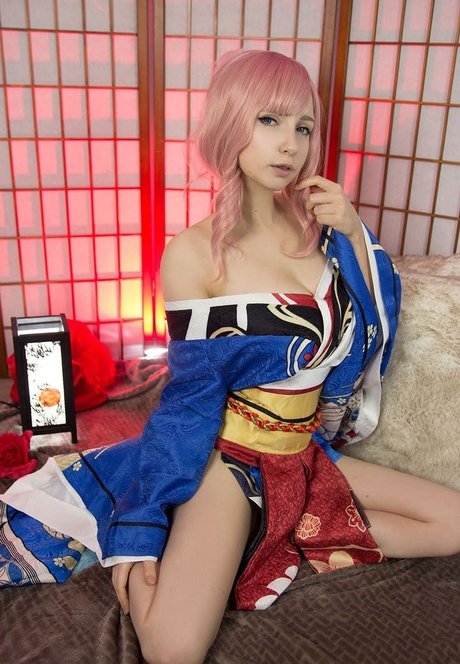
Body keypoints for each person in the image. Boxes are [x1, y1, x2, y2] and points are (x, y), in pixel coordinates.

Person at [1, 50, 460, 664]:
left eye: (303, 126)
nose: (290, 143)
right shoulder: (194, 255)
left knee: (453, 522)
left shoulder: (327, 234)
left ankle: (278, 536)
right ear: (230, 122)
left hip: (302, 455)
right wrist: (139, 531)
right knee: (175, 649)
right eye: (269, 120)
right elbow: (189, 401)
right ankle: (201, 538)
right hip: (229, 458)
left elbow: (373, 331)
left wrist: (354, 233)